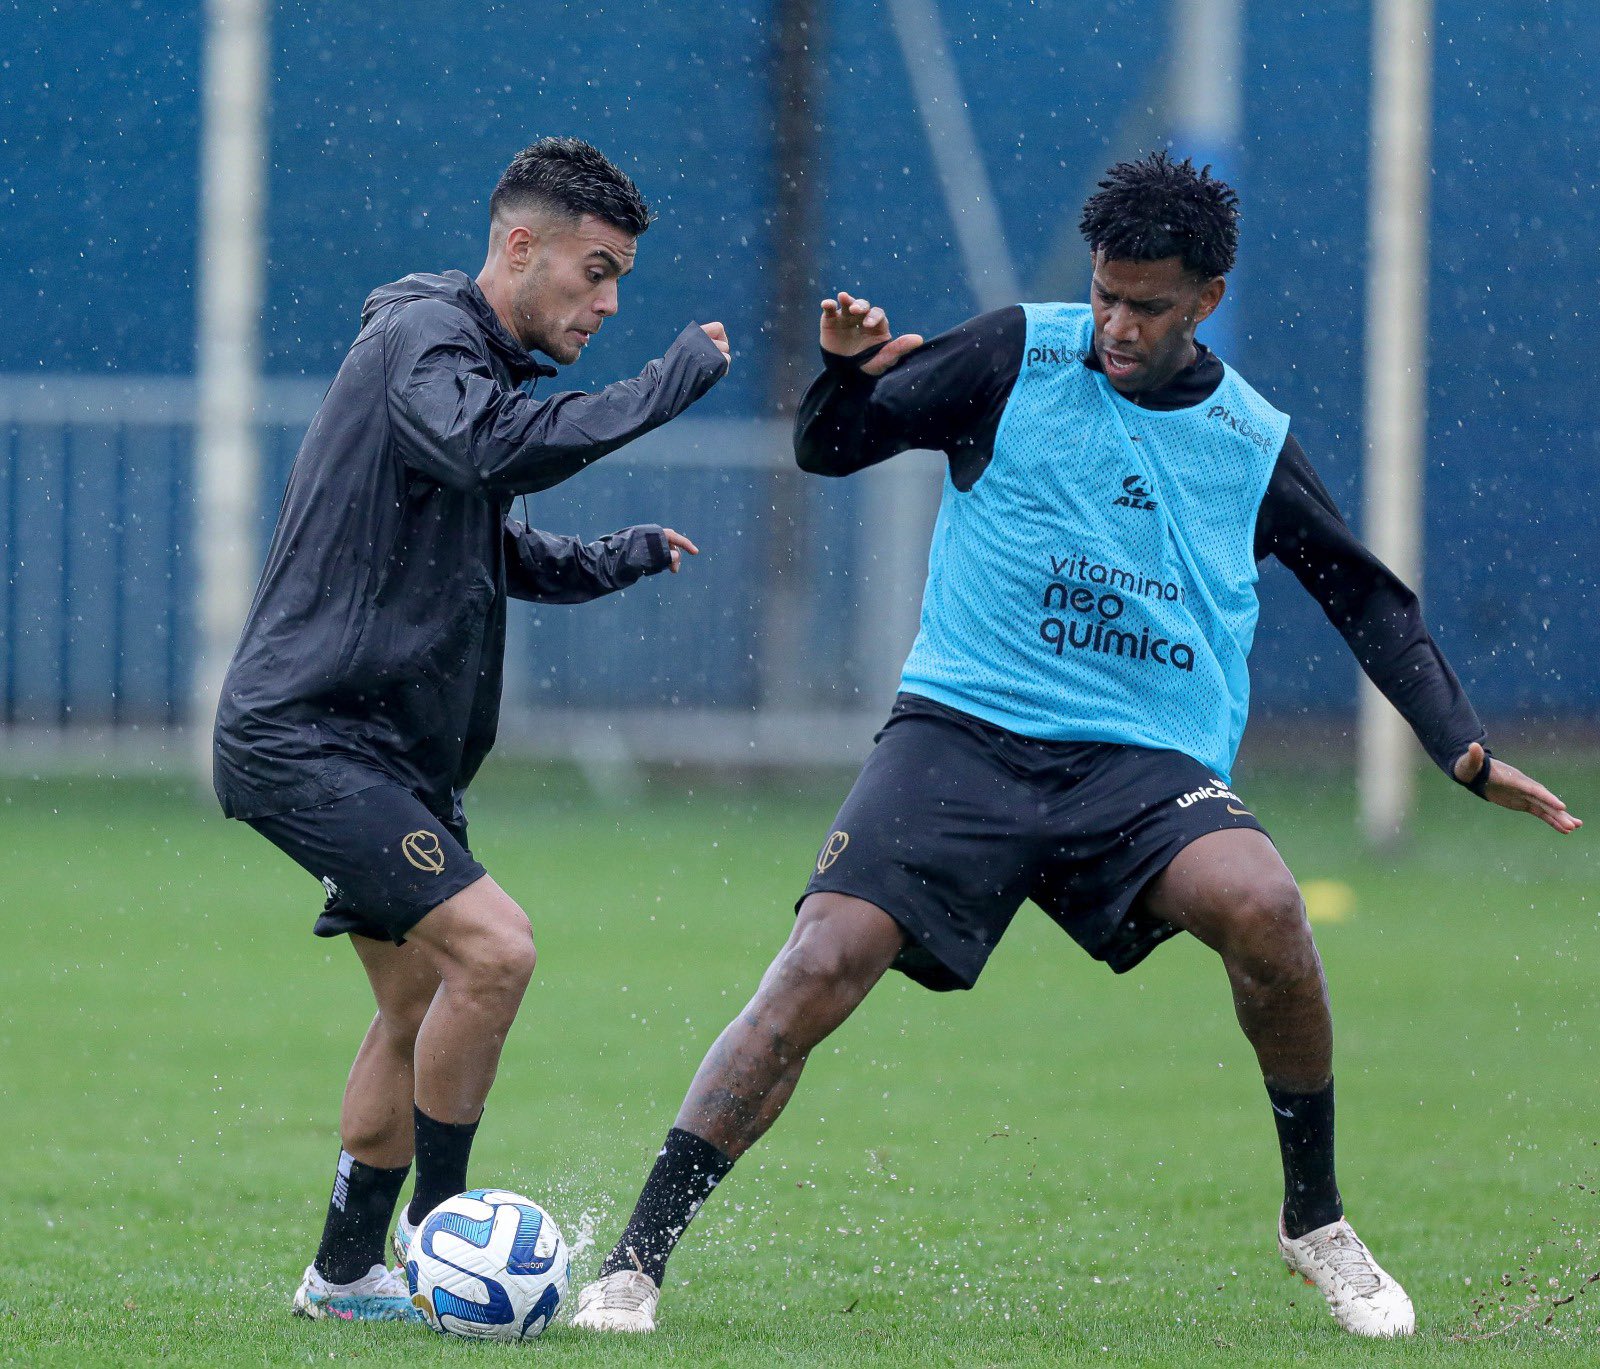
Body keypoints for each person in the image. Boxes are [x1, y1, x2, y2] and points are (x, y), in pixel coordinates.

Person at [571, 152, 1580, 1340]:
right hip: (962, 730)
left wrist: (1462, 749)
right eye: (1105, 294)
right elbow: (831, 448)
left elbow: (1365, 596)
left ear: (1206, 299)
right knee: (820, 960)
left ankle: (1315, 1221)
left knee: (1265, 905)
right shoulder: (1016, 353)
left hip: (1142, 761)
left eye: (1147, 305)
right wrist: (841, 374)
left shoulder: (1249, 440)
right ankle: (633, 1263)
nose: (1116, 324)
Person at [212, 136, 730, 1321]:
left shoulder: (462, 365)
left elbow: (493, 547)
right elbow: (488, 447)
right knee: (494, 952)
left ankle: (346, 1272)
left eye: (620, 281)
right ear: (520, 246)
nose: (607, 303)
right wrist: (664, 384)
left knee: (414, 1004)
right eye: (596, 272)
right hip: (310, 736)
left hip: (382, 751)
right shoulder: (425, 342)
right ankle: (448, 1240)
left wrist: (619, 555)